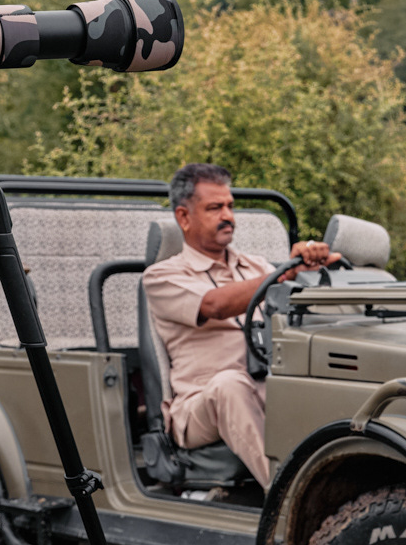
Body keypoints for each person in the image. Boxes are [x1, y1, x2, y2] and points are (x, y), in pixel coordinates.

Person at [141, 163, 337, 490]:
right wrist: (285, 272)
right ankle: (288, 500)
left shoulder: (257, 266)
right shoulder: (161, 277)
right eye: (214, 208)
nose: (228, 216)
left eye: (230, 206)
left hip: (266, 385)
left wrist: (316, 266)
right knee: (229, 385)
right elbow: (215, 304)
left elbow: (298, 306)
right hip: (200, 405)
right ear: (184, 217)